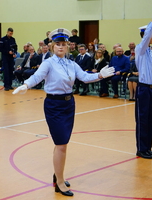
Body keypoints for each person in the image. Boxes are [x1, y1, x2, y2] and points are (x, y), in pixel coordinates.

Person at [12, 28, 115, 196]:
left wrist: (100, 76)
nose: (60, 47)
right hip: (54, 105)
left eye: (63, 44)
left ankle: (57, 174)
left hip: (69, 104)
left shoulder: (71, 63)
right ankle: (59, 182)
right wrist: (25, 85)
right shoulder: (48, 63)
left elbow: (84, 77)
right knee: (61, 145)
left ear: (68, 46)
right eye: (57, 44)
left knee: (62, 143)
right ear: (52, 46)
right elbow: (36, 77)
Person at [134, 3, 152, 159]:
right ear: (146, 35)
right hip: (143, 89)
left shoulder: (151, 53)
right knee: (142, 119)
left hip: (151, 89)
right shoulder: (140, 49)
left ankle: (148, 147)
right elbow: (146, 38)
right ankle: (141, 149)